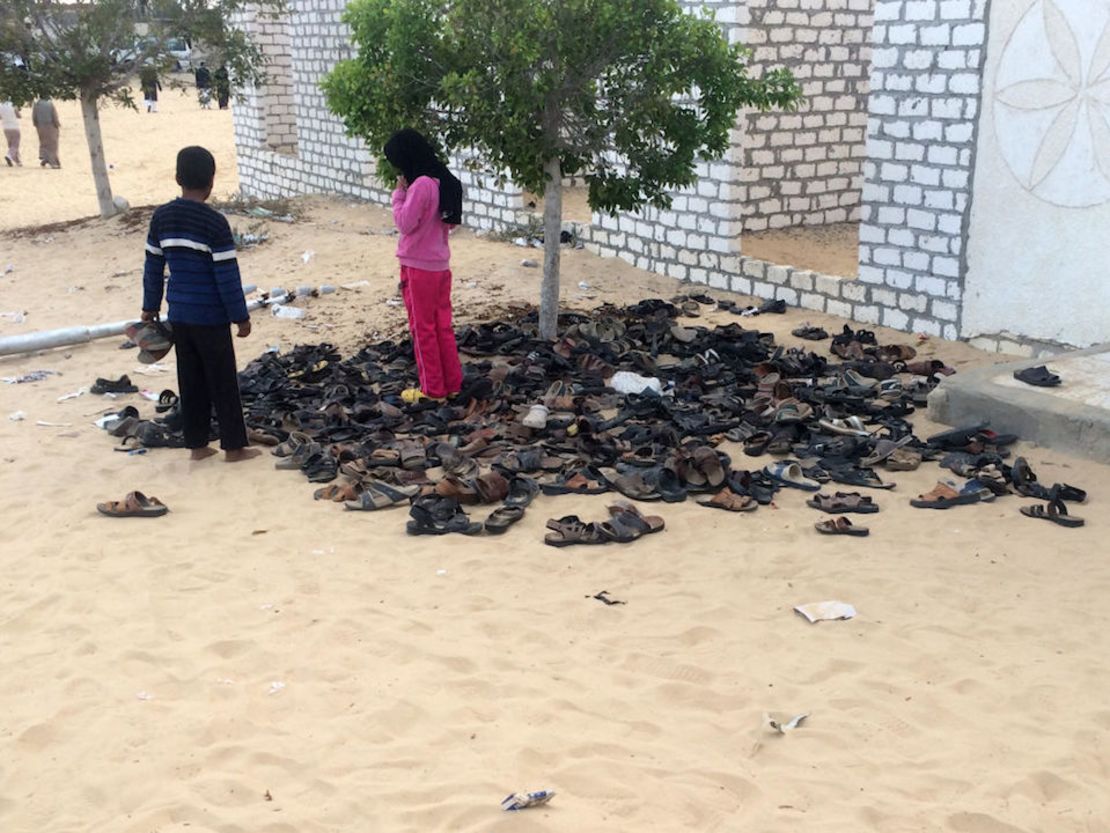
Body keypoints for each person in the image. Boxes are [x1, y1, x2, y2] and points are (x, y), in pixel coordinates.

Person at [141, 146, 260, 463]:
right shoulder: (214, 223)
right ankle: (234, 448)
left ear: (178, 178)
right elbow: (227, 276)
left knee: (190, 380)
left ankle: (196, 446)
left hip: (179, 312)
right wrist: (240, 317)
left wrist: (149, 306)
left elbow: (153, 265)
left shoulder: (162, 217)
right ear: (211, 182)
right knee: (222, 381)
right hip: (211, 316)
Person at [383, 128, 465, 403]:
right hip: (440, 264)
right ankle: (452, 383)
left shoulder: (420, 186)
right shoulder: (443, 182)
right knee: (442, 326)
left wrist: (398, 195)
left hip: (418, 267)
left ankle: (432, 389)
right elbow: (449, 223)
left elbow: (405, 224)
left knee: (423, 329)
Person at [31, 99, 60, 168]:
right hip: (50, 126)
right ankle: (53, 162)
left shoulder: (36, 104)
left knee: (43, 142)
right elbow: (54, 116)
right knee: (52, 144)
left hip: (40, 126)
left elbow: (34, 116)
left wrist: (36, 125)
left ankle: (45, 157)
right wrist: (57, 124)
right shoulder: (50, 104)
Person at [1, 101, 21, 166]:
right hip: (14, 127)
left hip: (5, 128)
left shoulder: (0, 105)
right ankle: (9, 156)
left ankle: (17, 161)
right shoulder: (13, 104)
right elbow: (18, 115)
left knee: (11, 145)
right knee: (15, 145)